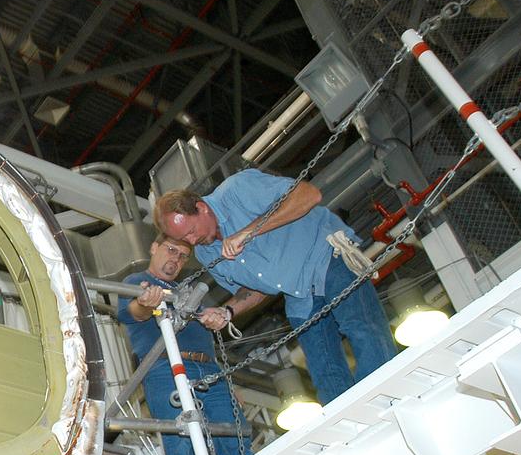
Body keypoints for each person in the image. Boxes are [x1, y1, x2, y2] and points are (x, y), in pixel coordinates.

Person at [154, 169, 396, 405]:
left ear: (201, 207)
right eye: (184, 239)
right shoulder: (207, 254)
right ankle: (350, 424)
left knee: (363, 330)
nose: (192, 241)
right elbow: (256, 290)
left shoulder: (237, 190)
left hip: (326, 256)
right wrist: (227, 312)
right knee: (324, 371)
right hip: (297, 293)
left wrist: (248, 232)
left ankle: (385, 396)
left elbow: (309, 195)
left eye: (192, 231)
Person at [117, 235, 251, 455]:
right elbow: (134, 311)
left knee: (235, 438)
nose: (175, 259)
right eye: (170, 250)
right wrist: (147, 303)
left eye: (182, 256)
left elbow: (209, 331)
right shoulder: (136, 282)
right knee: (183, 448)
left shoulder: (192, 291)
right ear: (153, 247)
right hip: (165, 368)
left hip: (210, 369)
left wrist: (215, 319)